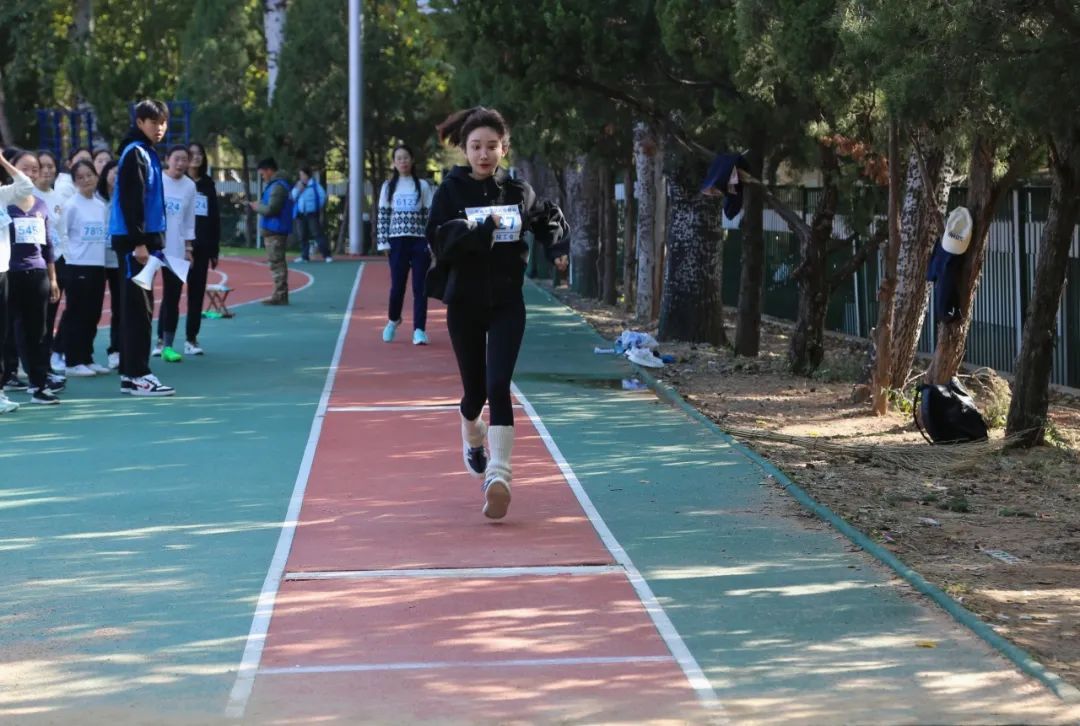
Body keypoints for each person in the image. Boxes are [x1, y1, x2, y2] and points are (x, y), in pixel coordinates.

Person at [426, 107, 569, 519]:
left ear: (504, 148)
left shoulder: (517, 191)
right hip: (464, 305)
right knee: (474, 395)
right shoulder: (450, 192)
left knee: (499, 384)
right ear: (465, 150)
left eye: (492, 146)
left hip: (507, 303)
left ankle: (498, 477)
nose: (484, 154)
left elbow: (546, 216)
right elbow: (439, 238)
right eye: (476, 147)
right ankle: (473, 436)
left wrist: (556, 248)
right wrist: (481, 229)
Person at [109, 99, 175, 396]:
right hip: (135, 245)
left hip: (142, 244)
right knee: (139, 310)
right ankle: (138, 374)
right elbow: (132, 200)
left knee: (137, 308)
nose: (160, 127)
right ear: (139, 123)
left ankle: (130, 373)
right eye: (153, 122)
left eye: (163, 122)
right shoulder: (136, 153)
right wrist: (139, 243)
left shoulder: (145, 151)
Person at [2, 149, 63, 405]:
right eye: (24, 168)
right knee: (6, 332)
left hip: (37, 275)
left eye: (34, 169)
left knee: (38, 332)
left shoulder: (40, 205)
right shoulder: (5, 200)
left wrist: (53, 278)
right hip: (9, 274)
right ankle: (7, 379)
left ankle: (39, 385)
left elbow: (47, 245)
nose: (29, 174)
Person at [377, 144, 434, 346]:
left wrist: (431, 243)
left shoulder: (423, 186)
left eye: (406, 157)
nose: (403, 161)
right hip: (397, 242)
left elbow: (430, 217)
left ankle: (419, 330)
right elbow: (383, 215)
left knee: (420, 287)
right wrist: (383, 242)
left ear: (412, 160)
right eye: (399, 158)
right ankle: (393, 320)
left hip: (419, 242)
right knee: (397, 287)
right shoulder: (388, 186)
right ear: (394, 163)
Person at [58, 160, 110, 377]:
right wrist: (70, 259)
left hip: (97, 266)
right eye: (80, 177)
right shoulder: (71, 205)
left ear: (96, 176)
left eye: (89, 175)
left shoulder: (100, 206)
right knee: (76, 314)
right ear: (74, 181)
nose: (86, 180)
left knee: (93, 314)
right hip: (77, 266)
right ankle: (73, 361)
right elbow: (62, 234)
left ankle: (87, 357)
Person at [0, 151, 35, 413]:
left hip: (3, 273)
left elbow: (26, 186)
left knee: (2, 334)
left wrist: (3, 161)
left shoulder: (2, 195)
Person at [155, 145, 196, 362]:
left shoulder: (189, 186)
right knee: (143, 295)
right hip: (153, 247)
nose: (180, 164)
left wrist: (188, 248)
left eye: (184, 159)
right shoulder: (156, 180)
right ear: (167, 159)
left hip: (176, 249)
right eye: (176, 159)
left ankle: (167, 344)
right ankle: (154, 341)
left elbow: (189, 220)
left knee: (172, 297)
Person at [34, 150, 68, 373]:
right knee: (35, 318)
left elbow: (62, 232)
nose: (47, 171)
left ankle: (46, 362)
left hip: (57, 263)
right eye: (42, 166)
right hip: (35, 264)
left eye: (51, 166)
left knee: (50, 316)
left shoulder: (59, 198)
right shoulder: (28, 196)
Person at [185, 142, 220, 355]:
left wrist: (214, 250)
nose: (196, 157)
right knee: (171, 294)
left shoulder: (208, 184)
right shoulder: (178, 182)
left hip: (202, 246)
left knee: (196, 294)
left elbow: (214, 218)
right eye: (192, 153)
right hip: (180, 246)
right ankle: (163, 340)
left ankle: (191, 339)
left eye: (200, 154)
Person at [250, 158, 291, 306]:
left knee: (277, 263)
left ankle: (280, 295)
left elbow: (272, 209)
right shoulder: (275, 185)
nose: (262, 177)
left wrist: (257, 207)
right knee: (276, 262)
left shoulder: (278, 186)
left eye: (262, 174)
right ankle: (279, 294)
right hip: (273, 229)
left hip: (276, 229)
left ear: (269, 170)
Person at [96, 160, 123, 369]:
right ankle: (76, 353)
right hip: (96, 260)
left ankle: (116, 349)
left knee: (119, 307)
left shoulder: (126, 198)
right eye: (113, 171)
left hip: (118, 260)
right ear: (105, 174)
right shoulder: (95, 198)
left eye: (119, 172)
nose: (116, 175)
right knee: (91, 308)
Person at [292, 166, 332, 264]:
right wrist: (298, 189)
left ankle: (327, 255)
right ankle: (304, 256)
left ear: (307, 175)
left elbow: (323, 196)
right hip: (300, 214)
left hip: (312, 214)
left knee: (317, 234)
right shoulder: (298, 185)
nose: (301, 177)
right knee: (302, 235)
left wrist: (316, 207)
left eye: (303, 175)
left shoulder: (315, 186)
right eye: (300, 175)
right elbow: (293, 196)